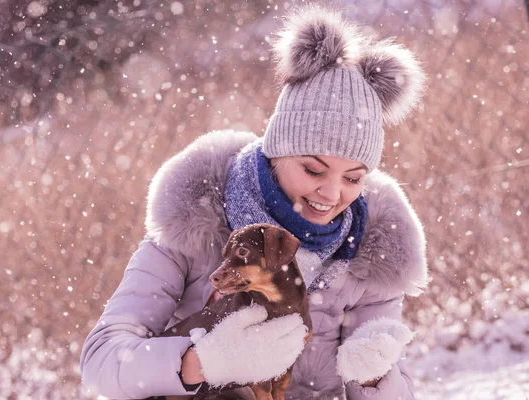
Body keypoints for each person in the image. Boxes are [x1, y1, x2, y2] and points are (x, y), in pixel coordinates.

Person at [80, 4, 428, 400]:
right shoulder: (196, 222)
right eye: (313, 171)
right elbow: (102, 361)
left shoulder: (370, 251)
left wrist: (372, 377)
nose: (332, 195)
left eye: (352, 178)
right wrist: (203, 360)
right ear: (276, 152)